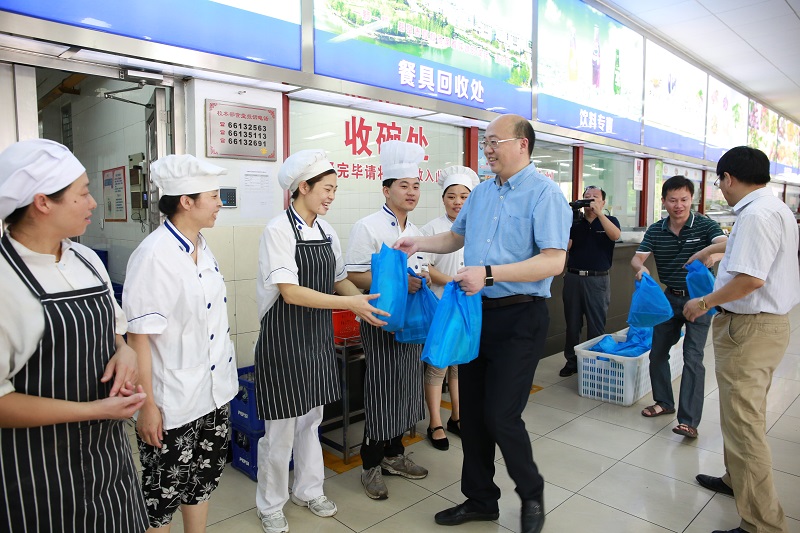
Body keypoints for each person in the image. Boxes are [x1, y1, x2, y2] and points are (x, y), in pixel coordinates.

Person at [395, 114, 571, 533]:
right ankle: (480, 500)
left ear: (522, 144)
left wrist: (489, 274)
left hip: (521, 316)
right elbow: (456, 237)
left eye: (495, 141)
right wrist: (418, 242)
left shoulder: (545, 194)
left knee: (501, 415)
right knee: (472, 414)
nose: (488, 149)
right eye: (485, 142)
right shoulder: (483, 193)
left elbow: (554, 260)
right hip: (475, 314)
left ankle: (531, 494)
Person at [0, 139, 148, 531]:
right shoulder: (5, 281)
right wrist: (95, 410)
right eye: (82, 193)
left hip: (108, 458)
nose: (93, 203)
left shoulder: (85, 259)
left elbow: (114, 329)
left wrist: (125, 351)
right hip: (35, 471)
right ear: (42, 202)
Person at [253, 150, 388, 533]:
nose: (331, 196)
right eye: (326, 188)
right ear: (303, 187)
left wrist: (365, 305)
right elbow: (291, 292)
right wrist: (350, 303)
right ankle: (270, 504)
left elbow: (338, 279)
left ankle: (308, 490)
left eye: (335, 189)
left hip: (315, 338)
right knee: (281, 428)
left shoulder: (326, 231)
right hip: (283, 340)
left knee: (311, 420)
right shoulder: (278, 230)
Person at [683, 146, 799, 533]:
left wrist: (704, 302)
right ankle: (736, 480)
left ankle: (762, 525)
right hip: (762, 328)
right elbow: (743, 248)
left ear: (729, 178)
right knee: (741, 415)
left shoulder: (756, 215)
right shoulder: (773, 208)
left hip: (750, 330)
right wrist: (709, 248)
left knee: (744, 425)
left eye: (719, 181)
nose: (720, 188)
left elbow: (750, 279)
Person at [123, 154, 238, 533]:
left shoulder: (201, 246)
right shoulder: (153, 256)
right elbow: (138, 338)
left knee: (202, 484)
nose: (220, 203)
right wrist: (147, 407)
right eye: (213, 196)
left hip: (214, 392)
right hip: (172, 402)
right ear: (186, 201)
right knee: (162, 496)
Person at [345, 139, 430, 500]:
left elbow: (423, 270)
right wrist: (397, 282)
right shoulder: (368, 227)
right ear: (386, 189)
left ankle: (394, 454)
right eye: (404, 185)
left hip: (411, 322)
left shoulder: (418, 233)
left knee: (407, 386)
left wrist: (422, 279)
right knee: (382, 388)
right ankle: (370, 464)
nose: (411, 192)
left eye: (416, 186)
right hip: (379, 320)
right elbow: (353, 274)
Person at [631, 175, 727, 439]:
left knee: (692, 356)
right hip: (669, 298)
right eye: (673, 200)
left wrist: (713, 255)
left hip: (700, 299)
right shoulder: (656, 230)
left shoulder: (705, 225)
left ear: (691, 199)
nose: (679, 205)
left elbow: (724, 246)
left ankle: (688, 421)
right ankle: (664, 402)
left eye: (684, 199)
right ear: (664, 201)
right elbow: (637, 259)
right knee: (657, 353)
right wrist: (640, 269)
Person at [420, 165, 479, 450]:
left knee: (460, 365)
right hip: (441, 305)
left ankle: (458, 416)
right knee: (438, 366)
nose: (458, 202)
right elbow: (425, 267)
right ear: (443, 199)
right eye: (451, 196)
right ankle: (435, 423)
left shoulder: (478, 228)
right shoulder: (432, 229)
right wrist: (455, 282)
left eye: (464, 196)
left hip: (469, 304)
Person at [559, 185, 621, 377]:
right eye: (587, 197)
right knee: (572, 323)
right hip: (573, 277)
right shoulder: (575, 222)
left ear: (603, 202)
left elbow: (615, 236)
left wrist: (599, 214)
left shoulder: (610, 220)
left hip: (597, 280)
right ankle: (571, 361)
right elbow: (566, 246)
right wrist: (567, 221)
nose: (590, 200)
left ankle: (593, 362)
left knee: (596, 324)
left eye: (595, 197)